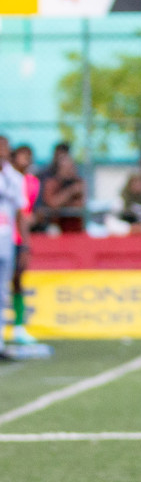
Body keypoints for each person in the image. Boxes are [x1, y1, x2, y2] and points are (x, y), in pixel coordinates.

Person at [0, 136, 30, 350]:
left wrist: (25, 245)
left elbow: (21, 213)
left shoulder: (14, 178)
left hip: (6, 240)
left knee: (2, 291)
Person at [8, 144, 38, 343]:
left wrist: (26, 242)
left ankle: (19, 327)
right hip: (6, 234)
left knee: (18, 280)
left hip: (17, 236)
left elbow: (27, 210)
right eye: (22, 156)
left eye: (29, 156)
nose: (25, 160)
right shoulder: (8, 178)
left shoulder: (32, 182)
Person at [41, 147, 86, 234]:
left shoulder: (78, 182)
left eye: (72, 167)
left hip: (75, 229)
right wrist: (70, 192)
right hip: (57, 229)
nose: (71, 170)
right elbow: (52, 204)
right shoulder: (52, 183)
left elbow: (80, 205)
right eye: (67, 167)